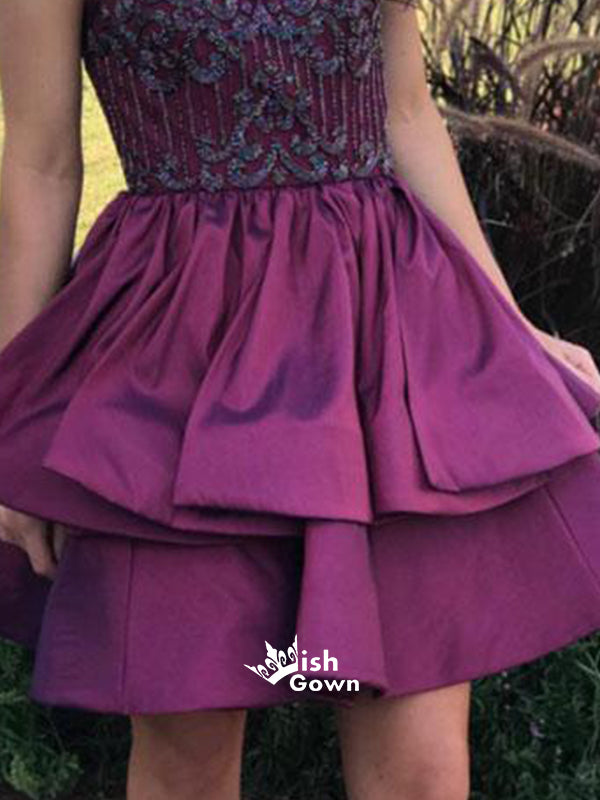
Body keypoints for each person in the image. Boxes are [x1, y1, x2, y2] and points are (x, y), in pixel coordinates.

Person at [1, 0, 600, 798]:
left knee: (421, 767)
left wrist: (509, 321)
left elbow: (405, 113)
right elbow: (40, 164)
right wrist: (14, 412)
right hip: (175, 359)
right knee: (187, 755)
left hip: (378, 340)